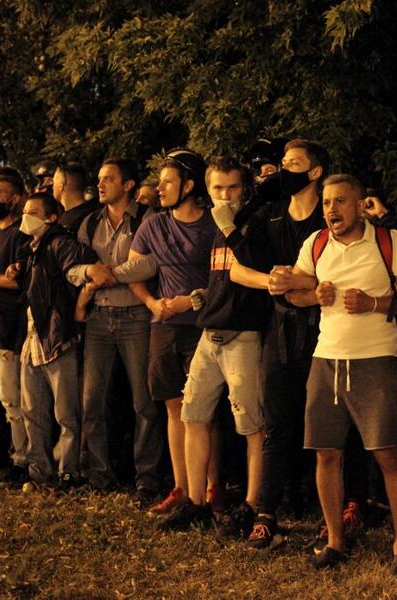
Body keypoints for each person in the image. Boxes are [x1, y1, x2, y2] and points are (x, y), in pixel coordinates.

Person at [285, 173, 397, 577]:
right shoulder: (315, 243)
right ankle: (334, 540)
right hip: (325, 359)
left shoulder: (389, 241)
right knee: (326, 453)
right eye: (327, 202)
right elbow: (294, 292)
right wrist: (314, 295)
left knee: (387, 454)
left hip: (375, 359)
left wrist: (373, 303)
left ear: (361, 206)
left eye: (340, 201)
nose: (332, 209)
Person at [228, 138, 329, 548]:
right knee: (277, 421)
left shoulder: (329, 215)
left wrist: (299, 284)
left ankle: (334, 511)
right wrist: (271, 281)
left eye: (294, 163)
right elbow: (238, 268)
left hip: (325, 330)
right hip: (281, 329)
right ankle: (266, 512)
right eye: (283, 162)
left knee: (327, 425)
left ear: (315, 172)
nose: (284, 170)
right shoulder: (269, 214)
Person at [159, 156, 269, 531]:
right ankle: (196, 502)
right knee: (193, 415)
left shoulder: (254, 223)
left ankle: (252, 505)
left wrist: (231, 229)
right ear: (207, 189)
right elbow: (224, 277)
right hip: (210, 332)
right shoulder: (219, 227)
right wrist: (204, 297)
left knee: (252, 425)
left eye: (233, 187)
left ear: (245, 188)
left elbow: (256, 271)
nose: (225, 195)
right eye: (218, 188)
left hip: (243, 334)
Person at [127, 149, 218, 515]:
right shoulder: (153, 224)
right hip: (164, 327)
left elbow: (226, 279)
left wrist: (191, 301)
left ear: (189, 185)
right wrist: (152, 302)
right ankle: (181, 487)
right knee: (173, 405)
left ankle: (211, 488)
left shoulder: (212, 225)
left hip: (202, 326)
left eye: (167, 182)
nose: (159, 188)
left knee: (204, 409)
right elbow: (134, 271)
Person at [65, 157, 161, 504]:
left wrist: (110, 274)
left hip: (136, 316)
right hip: (99, 318)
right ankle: (100, 474)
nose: (100, 184)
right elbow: (72, 268)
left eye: (108, 179)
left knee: (144, 402)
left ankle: (147, 478)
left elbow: (151, 263)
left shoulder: (147, 218)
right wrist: (90, 273)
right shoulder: (90, 222)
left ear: (129, 185)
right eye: (99, 178)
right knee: (92, 401)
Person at [11, 192, 98, 489]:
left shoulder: (61, 243)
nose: (26, 217)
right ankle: (39, 472)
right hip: (34, 339)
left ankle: (68, 471)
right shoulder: (30, 248)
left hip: (57, 339)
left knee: (66, 414)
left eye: (33, 212)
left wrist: (79, 306)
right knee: (32, 412)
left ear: (51, 217)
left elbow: (80, 274)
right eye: (25, 211)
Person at [0, 171, 30, 482]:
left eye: (0, 192)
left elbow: (17, 282)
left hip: (9, 324)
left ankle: (21, 457)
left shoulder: (21, 234)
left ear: (15, 198)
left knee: (11, 396)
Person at [54, 162, 99, 234]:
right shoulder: (96, 213)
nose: (52, 187)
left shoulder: (71, 223)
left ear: (61, 186)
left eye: (54, 183)